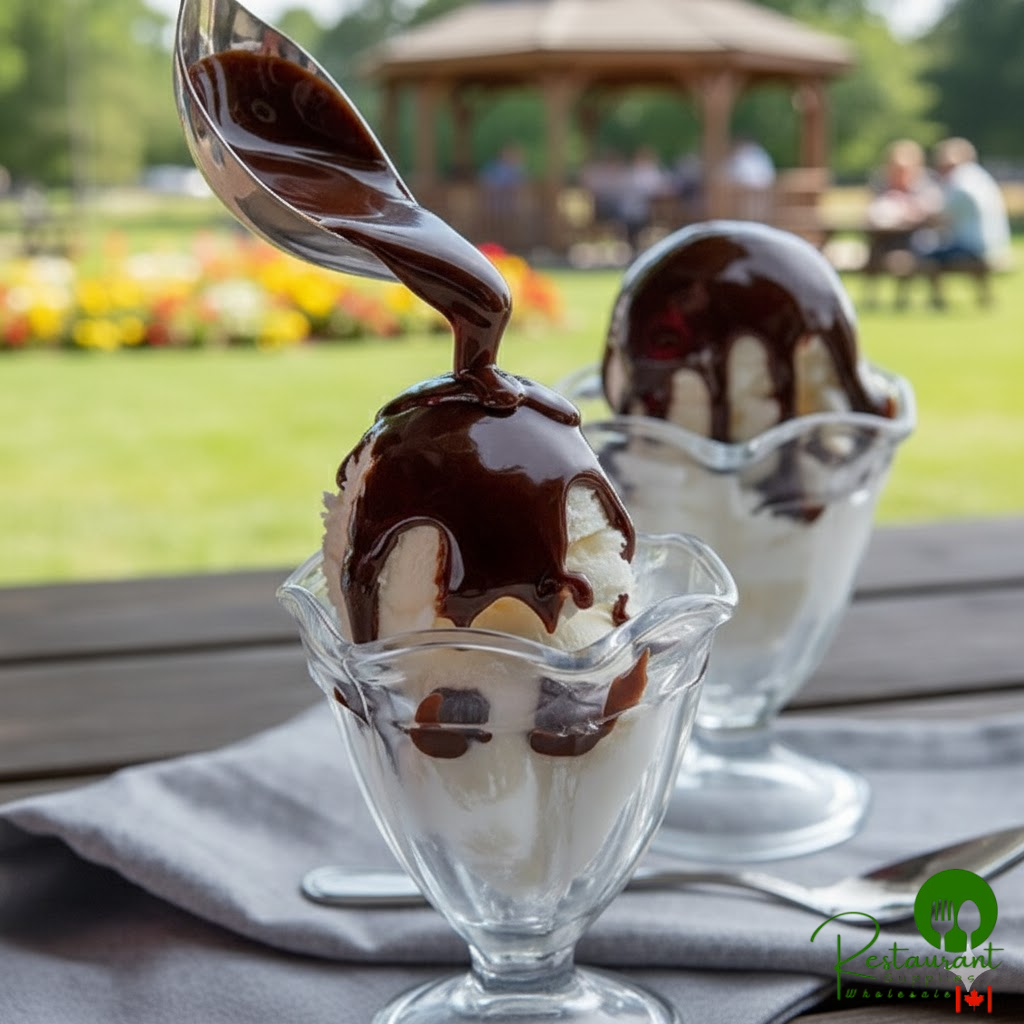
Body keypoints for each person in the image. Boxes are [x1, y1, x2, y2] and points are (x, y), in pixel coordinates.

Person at [917, 137, 1011, 307]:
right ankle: (984, 297)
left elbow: (940, 217)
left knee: (925, 253)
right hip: (992, 243)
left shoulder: (960, 182)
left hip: (973, 246)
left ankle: (938, 300)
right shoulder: (978, 176)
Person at [863, 139, 943, 308]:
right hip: (885, 237)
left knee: (917, 251)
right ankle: (871, 298)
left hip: (916, 238)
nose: (899, 175)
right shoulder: (880, 184)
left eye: (903, 170)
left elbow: (933, 212)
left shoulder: (926, 185)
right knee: (874, 250)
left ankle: (908, 299)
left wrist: (912, 211)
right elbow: (872, 212)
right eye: (895, 169)